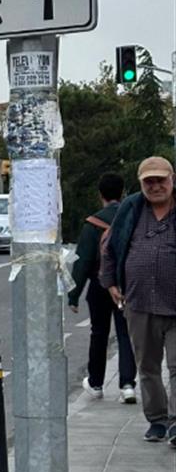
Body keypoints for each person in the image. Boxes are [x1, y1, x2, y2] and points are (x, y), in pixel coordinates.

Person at [100, 157, 176, 445]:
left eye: (161, 180)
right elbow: (110, 248)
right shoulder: (131, 209)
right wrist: (110, 283)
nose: (156, 186)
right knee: (148, 366)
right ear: (141, 183)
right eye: (149, 181)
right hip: (140, 301)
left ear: (172, 179)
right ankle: (157, 420)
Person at [68, 173, 137, 404]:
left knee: (99, 333)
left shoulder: (93, 224)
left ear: (101, 195)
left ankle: (96, 383)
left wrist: (73, 295)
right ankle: (127, 384)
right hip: (127, 283)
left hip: (99, 286)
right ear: (123, 192)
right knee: (126, 333)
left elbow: (83, 261)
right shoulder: (131, 217)